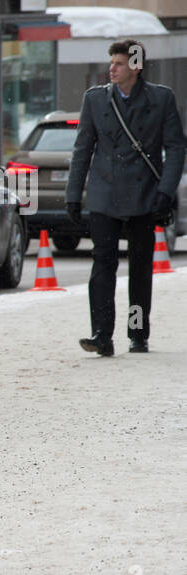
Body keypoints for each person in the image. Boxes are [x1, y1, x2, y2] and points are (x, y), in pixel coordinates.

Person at [66, 39, 185, 355]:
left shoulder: (161, 99)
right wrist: (73, 195)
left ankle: (137, 333)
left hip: (144, 196)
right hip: (104, 195)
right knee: (102, 265)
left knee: (140, 268)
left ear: (136, 66)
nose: (112, 69)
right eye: (111, 63)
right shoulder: (95, 100)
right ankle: (102, 334)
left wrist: (165, 192)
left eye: (119, 63)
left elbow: (175, 148)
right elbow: (83, 149)